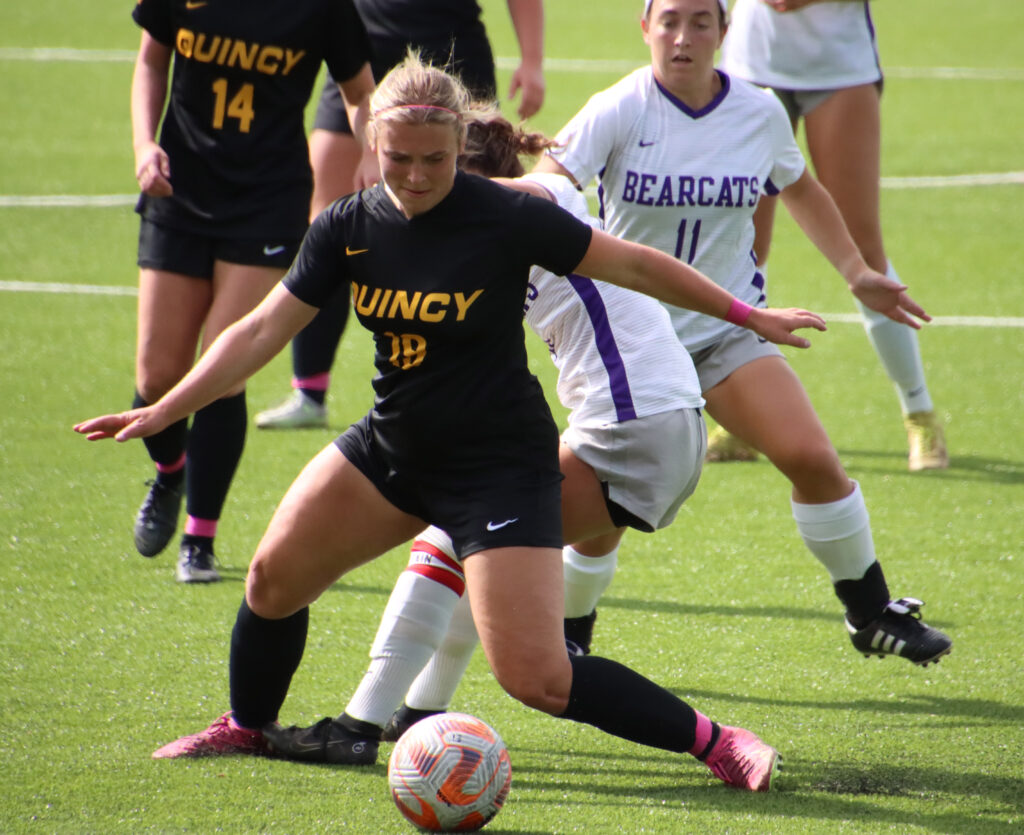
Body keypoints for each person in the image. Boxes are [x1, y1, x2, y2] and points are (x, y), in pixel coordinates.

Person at [76, 54, 826, 791]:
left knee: (538, 676)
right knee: (273, 579)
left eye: (435, 159)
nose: (415, 175)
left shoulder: (509, 215)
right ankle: (249, 722)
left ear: (458, 147)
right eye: (398, 157)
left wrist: (746, 313)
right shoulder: (346, 225)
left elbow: (631, 264)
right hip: (393, 449)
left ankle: (720, 742)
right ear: (373, 143)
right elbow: (261, 329)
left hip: (499, 467)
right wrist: (165, 407)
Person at [262, 109, 711, 765]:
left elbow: (520, 196)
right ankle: (419, 708)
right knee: (485, 552)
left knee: (454, 535)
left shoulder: (528, 201)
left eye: (439, 166)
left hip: (634, 427)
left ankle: (361, 721)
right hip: (655, 423)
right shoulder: (507, 218)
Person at [531, 0, 952, 665]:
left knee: (812, 458)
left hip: (724, 334)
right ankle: (570, 637)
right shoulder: (619, 107)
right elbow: (549, 183)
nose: (682, 37)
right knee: (602, 516)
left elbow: (802, 187)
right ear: (644, 29)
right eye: (668, 20)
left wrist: (857, 270)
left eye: (701, 21)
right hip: (632, 350)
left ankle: (871, 611)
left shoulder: (757, 113)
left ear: (727, 32)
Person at [126, 0, 377, 582]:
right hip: (179, 191)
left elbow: (361, 91)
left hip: (266, 200)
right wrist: (144, 144)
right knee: (156, 378)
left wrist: (369, 151)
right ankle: (170, 472)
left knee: (222, 365)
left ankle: (200, 538)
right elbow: (150, 60)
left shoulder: (324, 8)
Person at [254, 0, 546, 430]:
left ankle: (460, 387)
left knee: (464, 224)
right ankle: (309, 390)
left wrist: (532, 60)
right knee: (325, 219)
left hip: (449, 55)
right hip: (358, 53)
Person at [714, 0, 948, 472]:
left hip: (839, 69)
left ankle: (919, 410)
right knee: (742, 248)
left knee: (863, 253)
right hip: (747, 64)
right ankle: (740, 420)